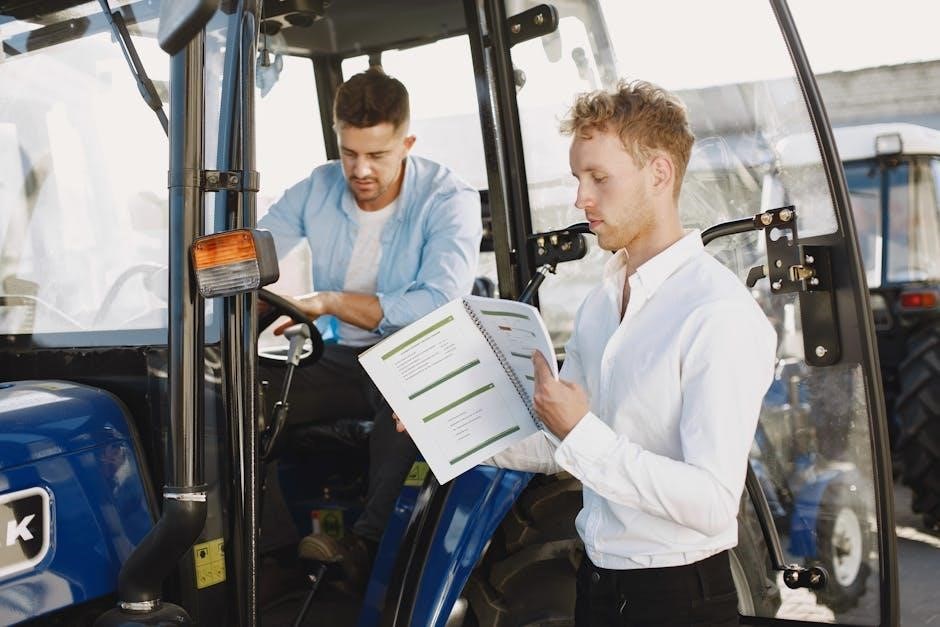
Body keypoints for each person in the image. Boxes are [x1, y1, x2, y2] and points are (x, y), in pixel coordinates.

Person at [485, 80, 777, 625]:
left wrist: (579, 431)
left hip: (677, 599)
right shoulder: (601, 303)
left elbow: (714, 501)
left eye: (599, 178)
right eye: (578, 178)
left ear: (659, 174)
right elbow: (563, 444)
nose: (581, 198)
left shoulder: (718, 313)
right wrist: (450, 432)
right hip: (598, 584)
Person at [258, 67, 482, 584]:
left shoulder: (449, 199)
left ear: (407, 144)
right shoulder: (316, 189)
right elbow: (255, 252)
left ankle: (366, 549)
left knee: (410, 391)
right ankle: (270, 557)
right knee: (233, 393)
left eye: (377, 155)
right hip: (341, 359)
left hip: (416, 356)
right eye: (349, 153)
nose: (360, 170)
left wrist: (331, 301)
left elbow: (438, 302)